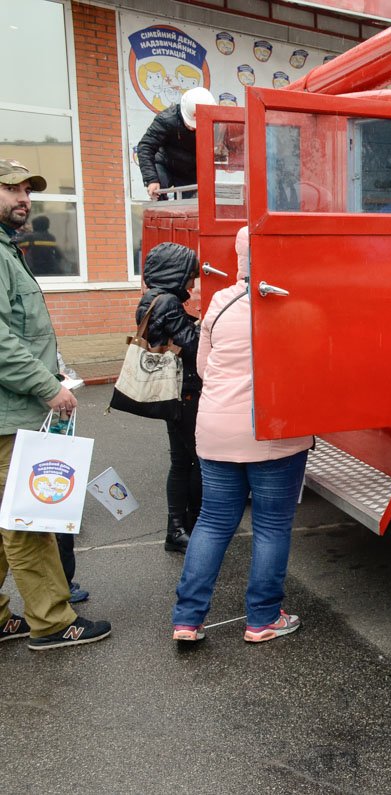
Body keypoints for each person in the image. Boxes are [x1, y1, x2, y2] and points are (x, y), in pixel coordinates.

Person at [172, 227, 313, 644]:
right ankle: (263, 618)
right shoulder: (294, 302)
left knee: (213, 522)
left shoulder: (219, 301)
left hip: (215, 428)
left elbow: (203, 366)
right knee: (271, 525)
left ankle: (187, 619)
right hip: (274, 432)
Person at [0, 159, 111, 650]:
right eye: (11, 189)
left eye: (27, 189)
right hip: (12, 411)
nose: (23, 198)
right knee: (27, 523)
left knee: (6, 521)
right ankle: (51, 621)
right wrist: (47, 386)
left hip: (11, 408)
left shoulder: (9, 248)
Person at [137, 242, 202, 553]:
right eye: (190, 275)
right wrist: (206, 327)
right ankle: (188, 527)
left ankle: (177, 529)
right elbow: (191, 346)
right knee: (196, 462)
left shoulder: (153, 299)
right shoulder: (167, 303)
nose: (192, 282)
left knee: (181, 461)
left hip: (172, 392)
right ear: (175, 273)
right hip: (185, 392)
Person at [136, 86, 216, 200]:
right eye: (191, 125)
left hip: (191, 171)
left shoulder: (216, 122)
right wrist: (151, 180)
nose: (193, 128)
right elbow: (145, 147)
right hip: (165, 164)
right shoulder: (166, 119)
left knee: (191, 209)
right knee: (158, 197)